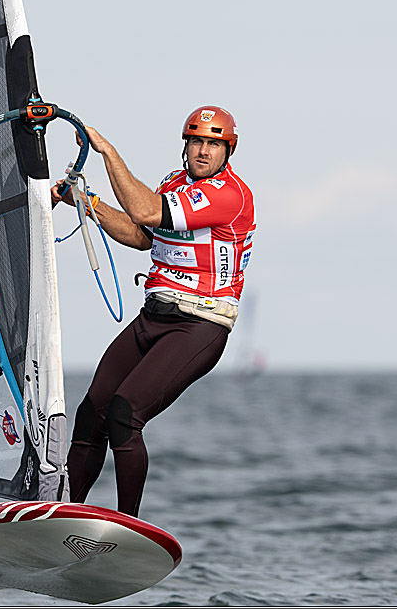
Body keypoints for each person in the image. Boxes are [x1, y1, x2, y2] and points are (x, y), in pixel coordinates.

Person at [51, 106, 256, 517]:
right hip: (153, 317)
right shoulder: (174, 184)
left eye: (213, 144)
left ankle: (128, 525)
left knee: (124, 415)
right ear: (186, 146)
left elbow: (145, 210)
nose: (203, 151)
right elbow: (140, 233)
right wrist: (88, 202)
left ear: (227, 151)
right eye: (196, 142)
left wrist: (107, 152)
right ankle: (60, 514)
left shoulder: (230, 194)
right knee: (92, 413)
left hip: (199, 326)